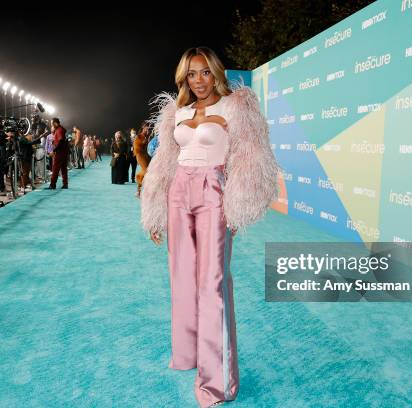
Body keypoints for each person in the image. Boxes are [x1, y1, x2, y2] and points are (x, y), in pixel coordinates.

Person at [140, 46, 279, 408]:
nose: (198, 81)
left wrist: (240, 201)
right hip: (177, 194)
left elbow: (251, 155)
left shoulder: (235, 107)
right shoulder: (178, 111)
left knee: (212, 283)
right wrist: (154, 209)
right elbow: (164, 162)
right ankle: (189, 355)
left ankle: (217, 384)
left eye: (204, 72)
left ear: (215, 73)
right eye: (191, 74)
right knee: (182, 278)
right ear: (183, 78)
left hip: (213, 191)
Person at [47, 117, 68, 189]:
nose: (51, 125)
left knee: (55, 168)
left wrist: (54, 150)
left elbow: (61, 141)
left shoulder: (59, 130)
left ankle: (52, 184)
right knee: (63, 169)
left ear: (55, 123)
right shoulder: (61, 129)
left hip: (59, 153)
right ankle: (65, 184)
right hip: (64, 152)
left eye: (52, 124)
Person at [133, 123, 151, 197]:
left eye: (149, 128)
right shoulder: (139, 136)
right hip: (140, 156)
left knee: (147, 171)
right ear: (143, 128)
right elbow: (136, 148)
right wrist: (144, 143)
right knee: (146, 171)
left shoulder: (148, 136)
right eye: (146, 128)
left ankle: (140, 191)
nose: (148, 129)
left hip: (147, 156)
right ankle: (139, 190)